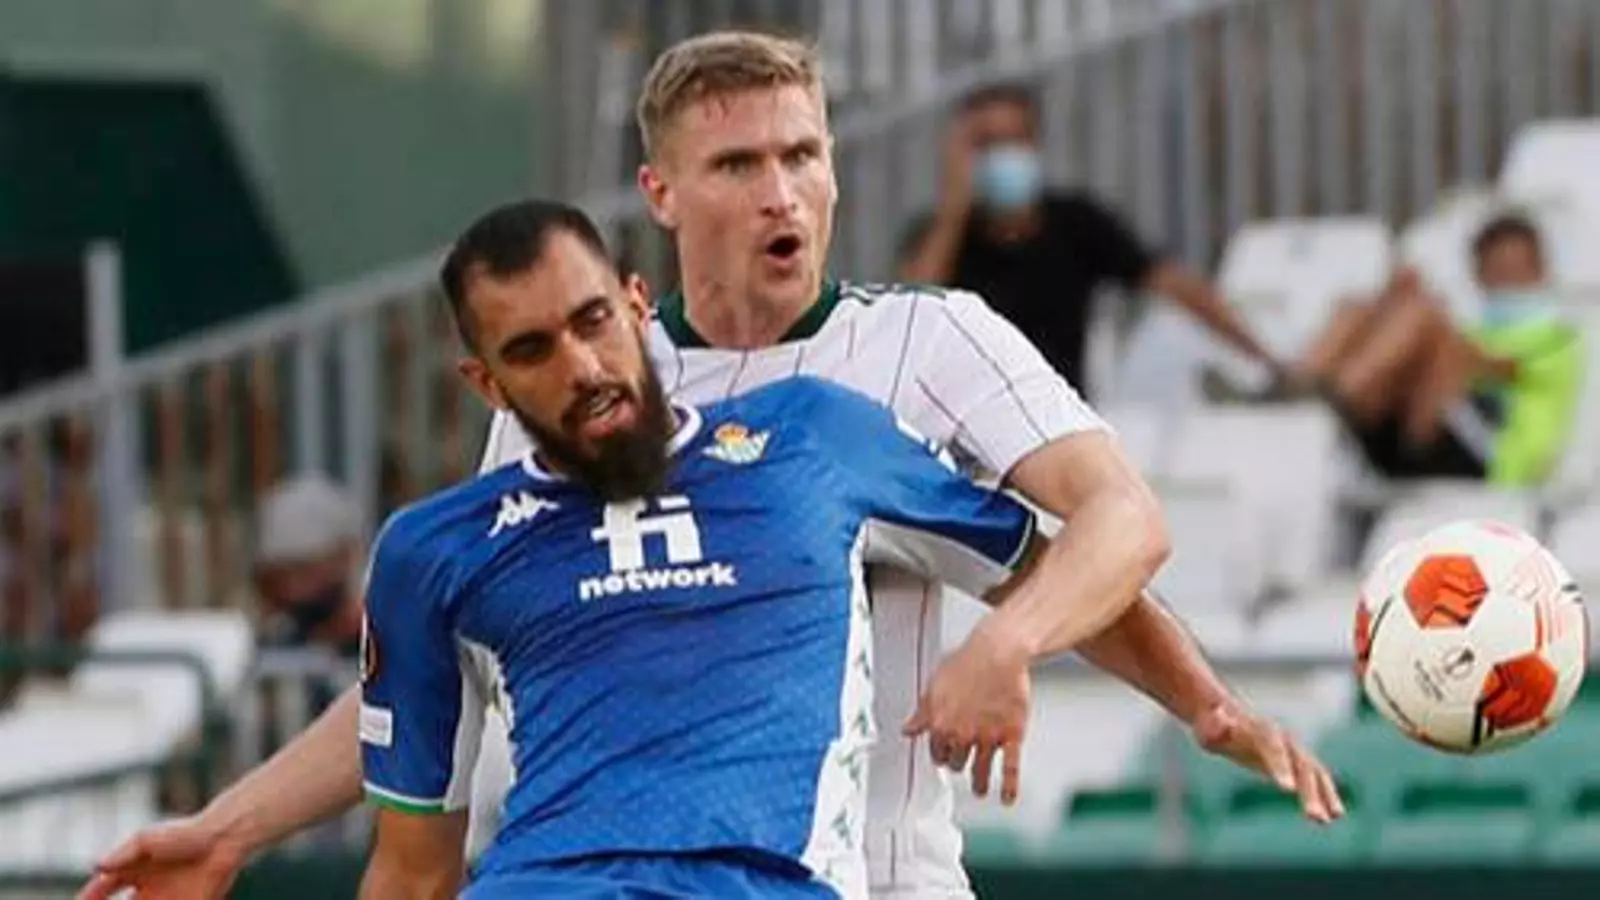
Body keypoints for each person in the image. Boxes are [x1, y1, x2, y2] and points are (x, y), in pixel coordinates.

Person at [81, 31, 1340, 900]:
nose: (782, 192)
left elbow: (1117, 524)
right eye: (739, 164)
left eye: (804, 155)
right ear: (661, 194)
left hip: (885, 876)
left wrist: (1149, 687)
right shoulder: (573, 390)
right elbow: (431, 670)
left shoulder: (923, 344)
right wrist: (230, 828)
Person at [363, 200, 1070, 898]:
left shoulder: (812, 435)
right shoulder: (432, 550)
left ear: (637, 307)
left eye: (593, 320)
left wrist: (1018, 640)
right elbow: (412, 873)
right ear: (487, 384)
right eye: (530, 350)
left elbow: (1076, 562)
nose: (579, 366)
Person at [898, 82, 1278, 401]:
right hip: (963, 421)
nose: (1004, 155)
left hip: (1057, 420)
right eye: (987, 144)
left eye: (1016, 140)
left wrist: (1266, 359)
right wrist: (953, 211)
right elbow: (909, 316)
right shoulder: (939, 234)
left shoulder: (1076, 224)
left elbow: (1175, 286)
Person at [1219, 213, 1584, 487]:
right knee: (1358, 309)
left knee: (1421, 316)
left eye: (1515, 270)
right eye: (1497, 271)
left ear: (1540, 270)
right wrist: (1390, 304)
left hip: (1486, 464)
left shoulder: (1558, 338)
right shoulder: (1478, 327)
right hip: (1413, 440)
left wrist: (1422, 321)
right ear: (1478, 275)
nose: (1507, 281)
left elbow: (1486, 363)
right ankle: (1293, 390)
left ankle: (1328, 400)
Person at [249, 474, 365, 657]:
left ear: (345, 557)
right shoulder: (277, 638)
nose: (292, 591)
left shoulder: (385, 640)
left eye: (303, 572)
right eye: (279, 578)